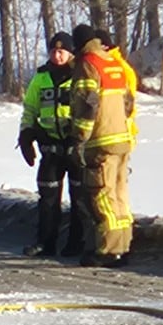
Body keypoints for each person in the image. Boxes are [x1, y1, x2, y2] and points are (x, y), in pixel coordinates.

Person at [68, 24, 135, 267]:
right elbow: (128, 102)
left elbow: (87, 106)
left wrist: (78, 137)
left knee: (102, 196)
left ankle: (107, 250)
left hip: (101, 141)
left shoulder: (88, 65)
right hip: (122, 139)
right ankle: (123, 245)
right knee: (120, 194)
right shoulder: (113, 63)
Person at [17, 31, 83, 257]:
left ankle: (76, 243)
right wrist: (25, 135)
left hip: (75, 146)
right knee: (48, 198)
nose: (57, 55)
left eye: (62, 51)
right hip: (50, 147)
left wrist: (80, 140)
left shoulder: (80, 75)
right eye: (53, 51)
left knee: (79, 198)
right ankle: (46, 243)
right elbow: (30, 109)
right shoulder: (41, 77)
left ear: (70, 53)